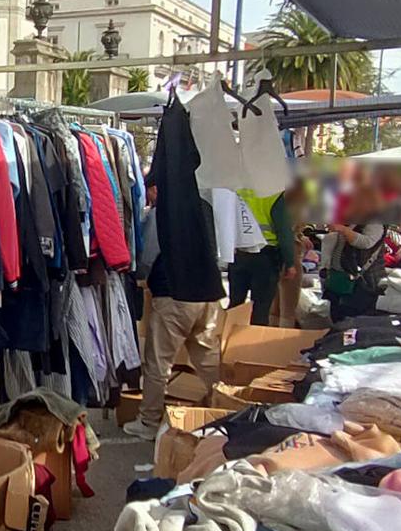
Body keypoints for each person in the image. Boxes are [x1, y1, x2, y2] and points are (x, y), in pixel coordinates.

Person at [124, 185, 222, 442]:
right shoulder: (205, 207)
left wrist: (139, 275)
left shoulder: (163, 212)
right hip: (208, 294)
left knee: (158, 362)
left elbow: (147, 255)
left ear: (157, 188)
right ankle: (223, 406)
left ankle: (148, 421)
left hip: (173, 294)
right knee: (207, 358)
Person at [229, 187, 299, 326]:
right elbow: (283, 231)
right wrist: (290, 262)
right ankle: (254, 343)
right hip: (265, 257)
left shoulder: (237, 193)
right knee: (260, 307)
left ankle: (228, 338)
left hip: (239, 254)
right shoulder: (273, 196)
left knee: (235, 304)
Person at [320, 183, 388, 321]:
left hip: (361, 281)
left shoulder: (375, 221)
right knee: (337, 313)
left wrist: (343, 230)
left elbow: (366, 243)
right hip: (341, 277)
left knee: (354, 317)